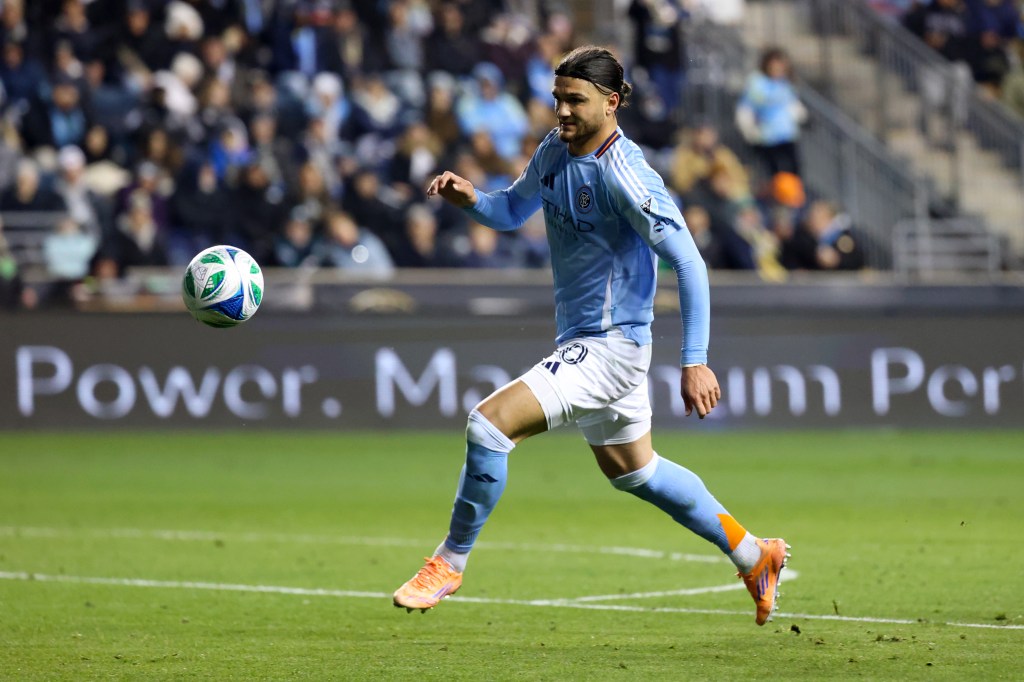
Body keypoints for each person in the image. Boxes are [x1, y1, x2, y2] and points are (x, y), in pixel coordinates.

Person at [393, 45, 789, 626]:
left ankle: (448, 562)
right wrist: (470, 199)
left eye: (575, 100)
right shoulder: (555, 148)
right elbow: (509, 213)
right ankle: (756, 555)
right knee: (637, 471)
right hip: (588, 341)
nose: (562, 110)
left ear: (612, 100)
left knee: (489, 424)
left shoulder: (629, 176)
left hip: (611, 345)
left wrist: (696, 360)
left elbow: (690, 263)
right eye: (557, 98)